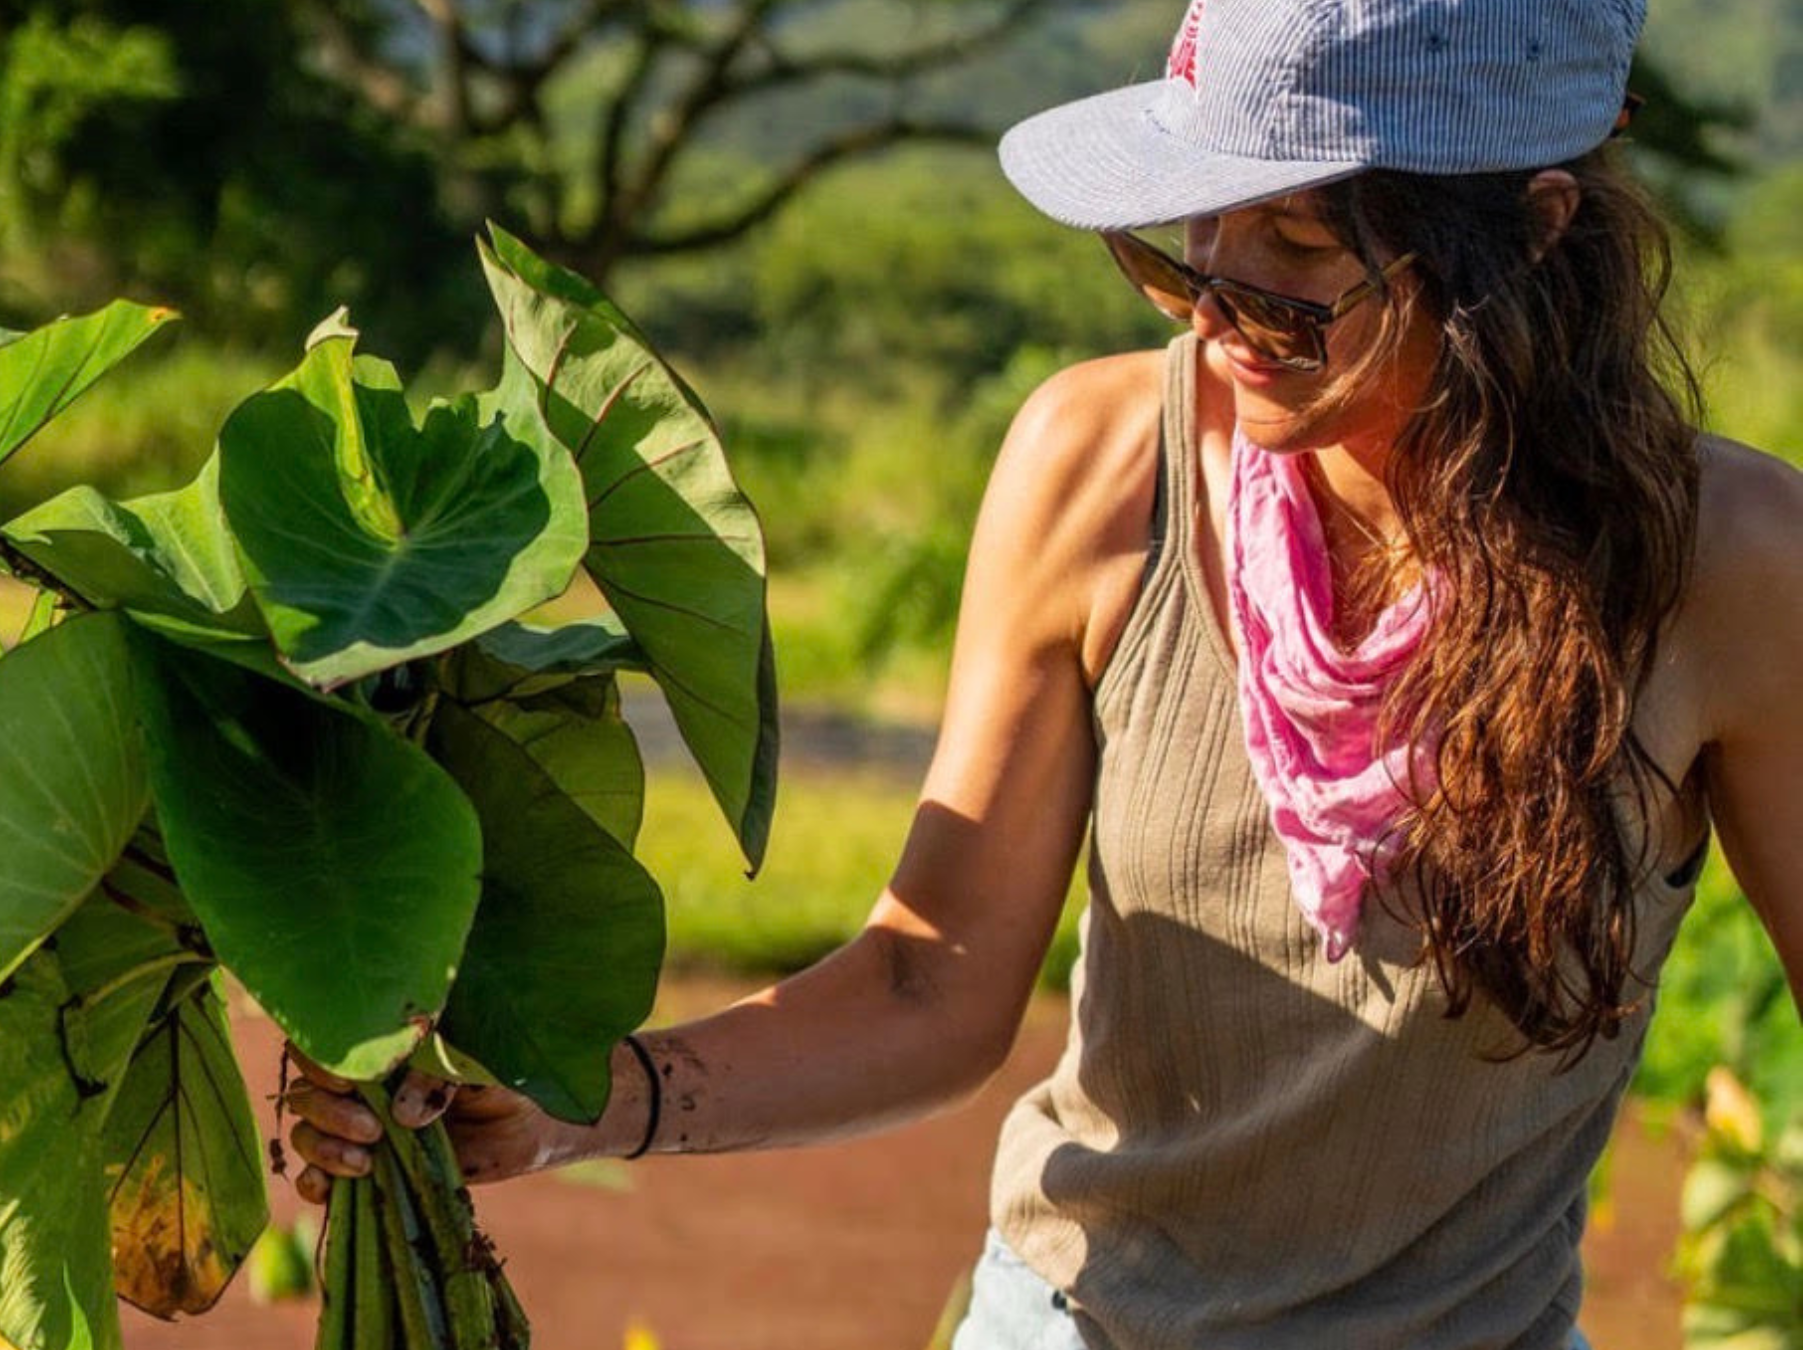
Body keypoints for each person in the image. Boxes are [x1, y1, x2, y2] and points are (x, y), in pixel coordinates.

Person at [285, 0, 1803, 1344]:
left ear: (1533, 232)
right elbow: (928, 977)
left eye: (1299, 259)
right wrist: (586, 1098)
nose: (1218, 309)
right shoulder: (1101, 469)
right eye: (1189, 239)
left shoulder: (1724, 569)